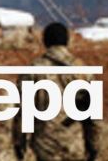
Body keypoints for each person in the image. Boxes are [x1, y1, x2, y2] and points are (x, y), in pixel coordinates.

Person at [13, 22, 100, 161]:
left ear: (45, 42)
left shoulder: (32, 71)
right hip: (74, 145)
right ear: (67, 41)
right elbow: (93, 115)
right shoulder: (83, 71)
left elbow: (22, 112)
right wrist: (93, 146)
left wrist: (19, 142)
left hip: (44, 146)